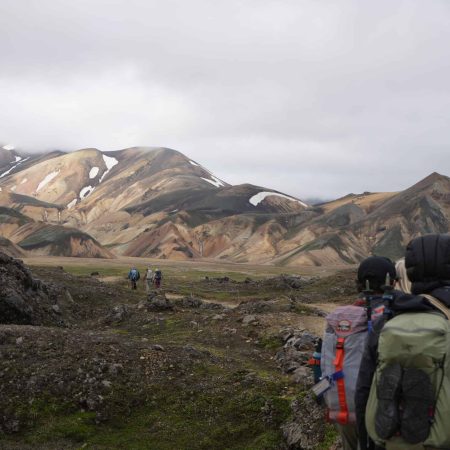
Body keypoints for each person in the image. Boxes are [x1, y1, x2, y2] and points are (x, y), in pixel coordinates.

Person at [356, 234, 450, 450]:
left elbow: (363, 390)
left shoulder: (388, 320)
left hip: (389, 440)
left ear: (409, 271)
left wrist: (365, 441)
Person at [318, 256, 396, 450]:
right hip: (374, 410)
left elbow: (321, 361)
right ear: (392, 283)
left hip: (341, 407)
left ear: (358, 284)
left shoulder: (336, 318)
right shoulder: (391, 316)